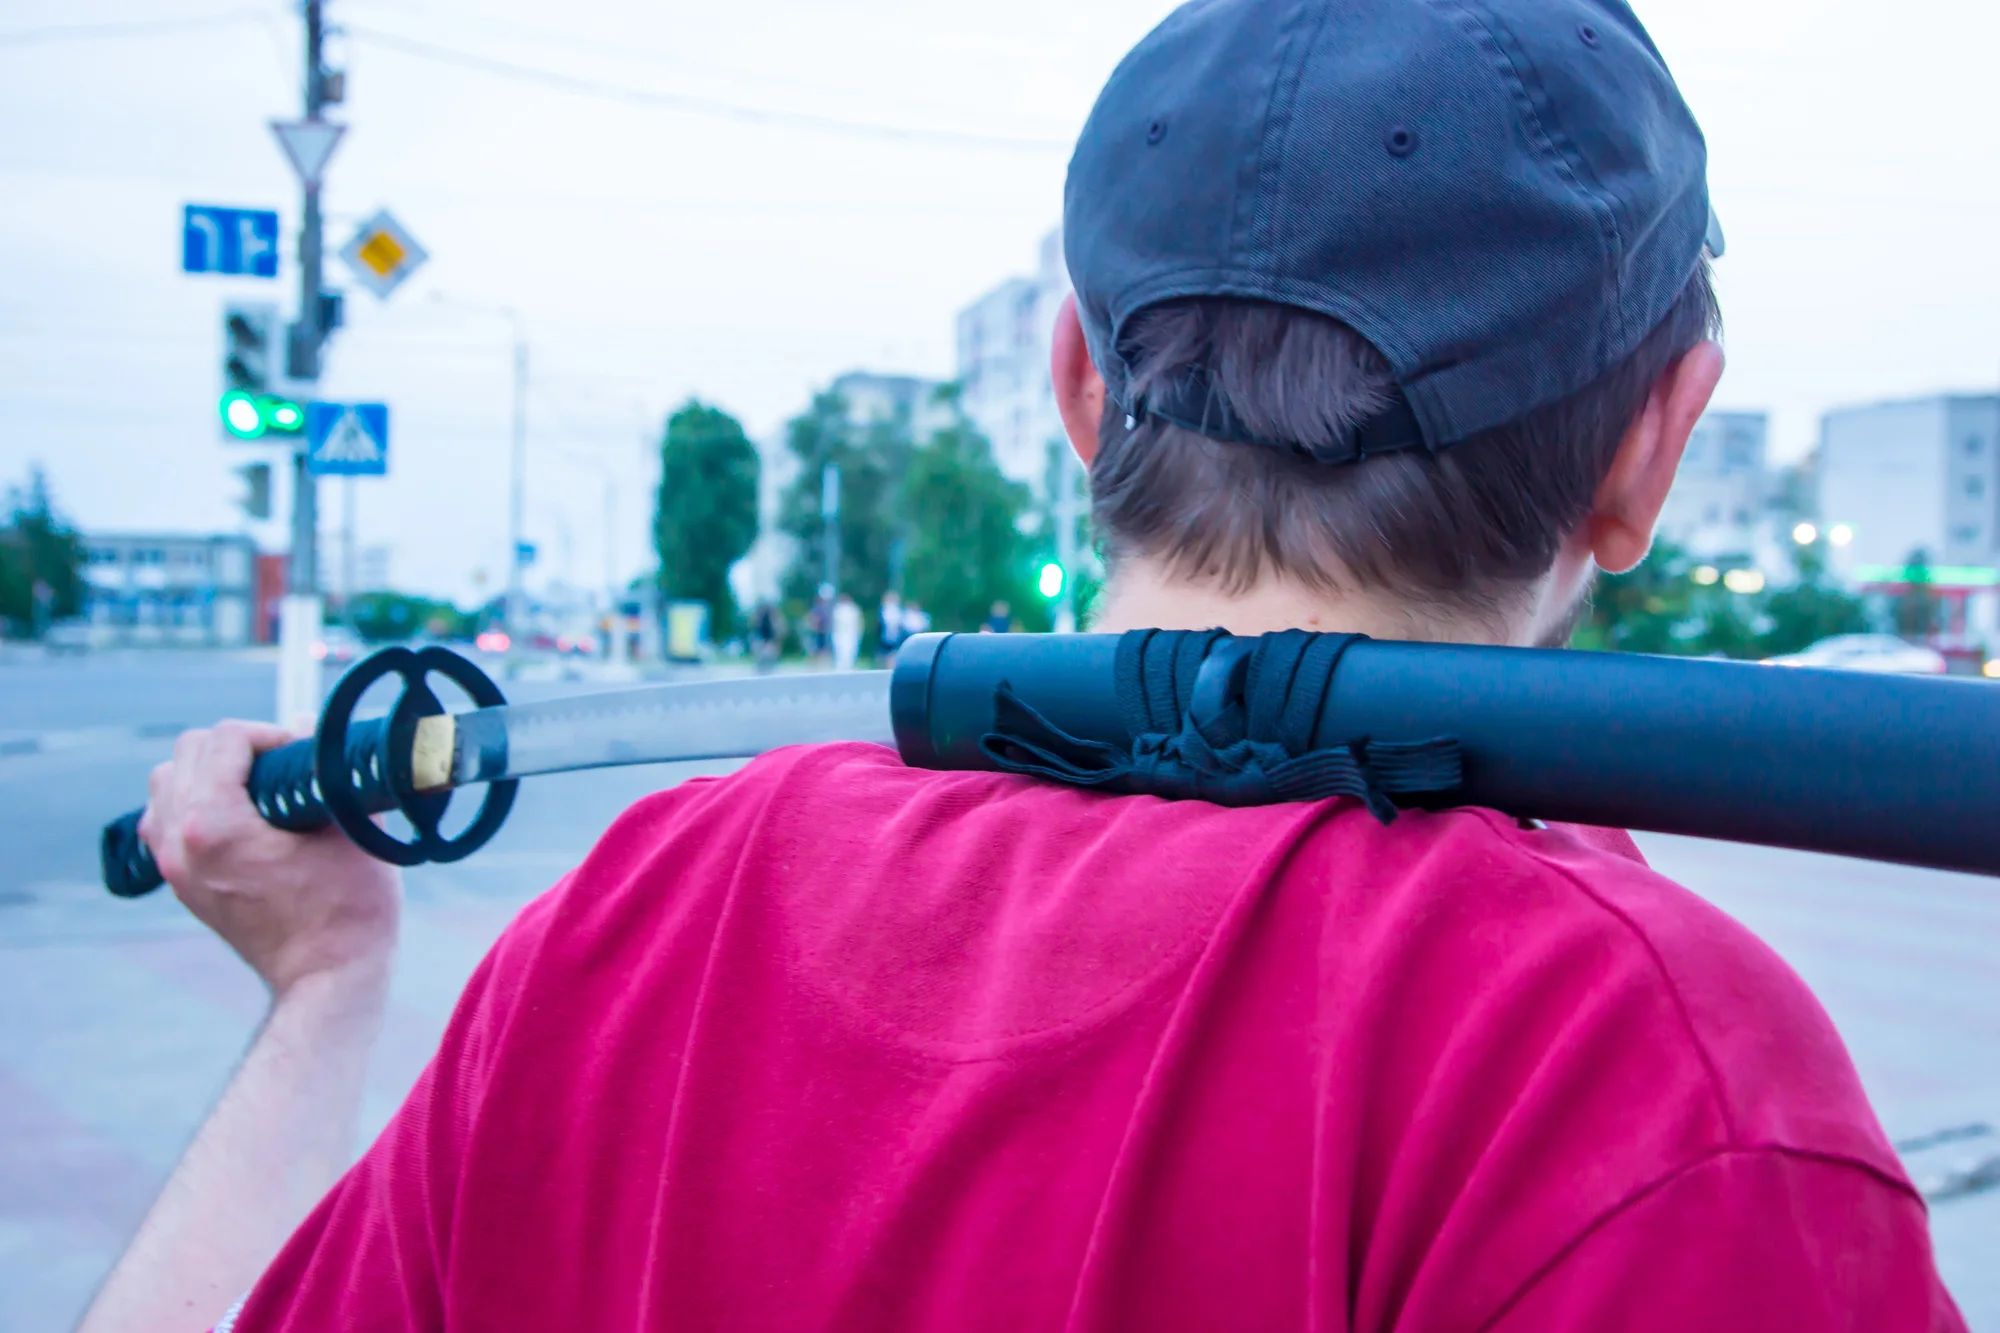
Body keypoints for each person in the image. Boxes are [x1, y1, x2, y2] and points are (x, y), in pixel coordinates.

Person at [88, 2, 1965, 1330]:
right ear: (1658, 447)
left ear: (1076, 382)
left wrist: (326, 978)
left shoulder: (651, 906)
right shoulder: (1642, 1083)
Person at [830, 593, 863, 672]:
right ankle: (841, 669)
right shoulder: (838, 609)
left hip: (850, 635)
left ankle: (848, 668)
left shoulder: (853, 609)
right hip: (840, 635)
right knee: (841, 654)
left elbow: (858, 623)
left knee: (849, 653)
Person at [878, 589, 906, 661]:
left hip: (894, 635)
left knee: (892, 653)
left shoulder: (897, 610)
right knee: (884, 652)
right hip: (886, 635)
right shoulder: (884, 609)